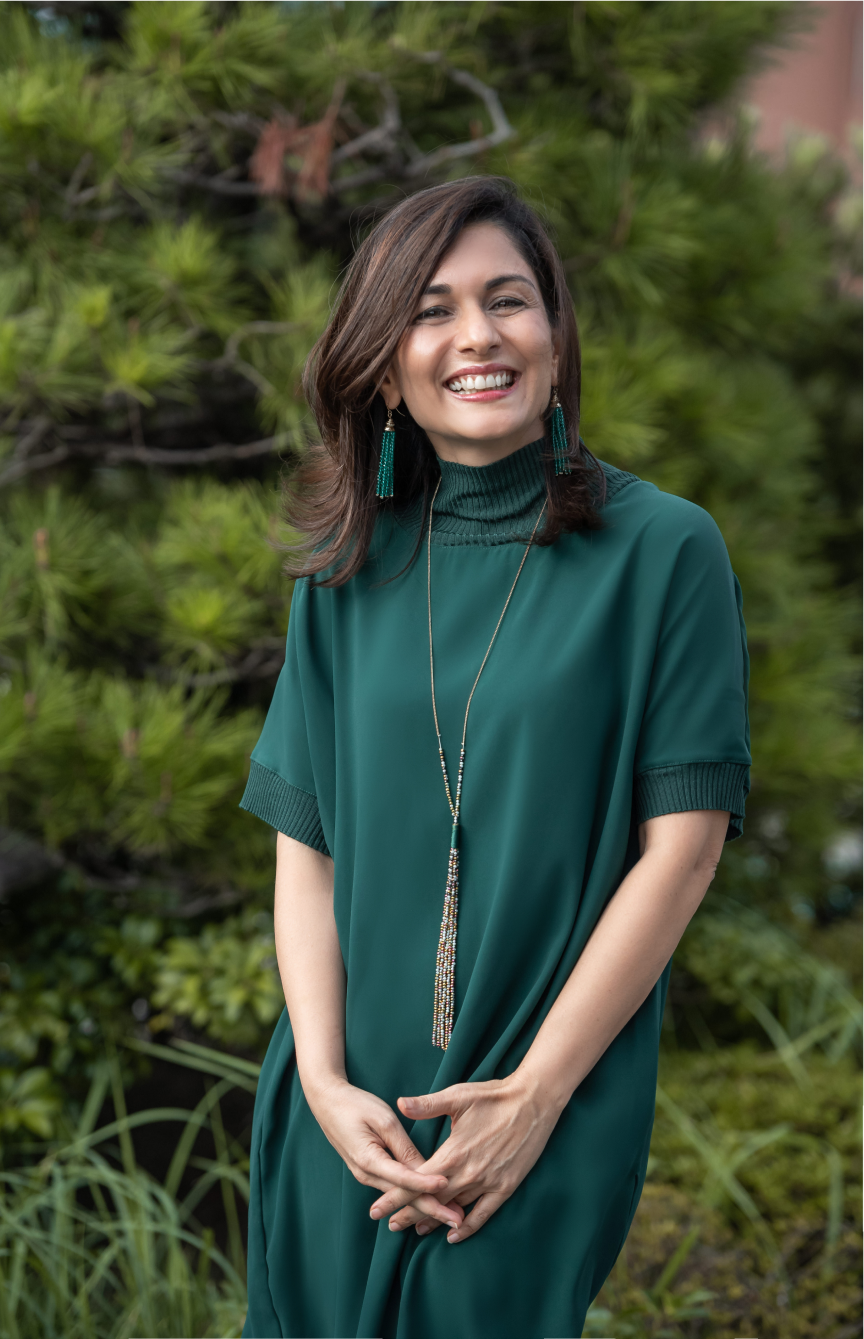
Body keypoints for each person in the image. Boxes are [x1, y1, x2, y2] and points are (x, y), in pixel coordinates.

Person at [239, 175, 751, 1339]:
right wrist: (319, 1080)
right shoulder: (345, 571)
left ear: (554, 338)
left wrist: (534, 1094)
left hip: (538, 1102)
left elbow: (680, 851)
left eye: (507, 300)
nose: (476, 334)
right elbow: (305, 852)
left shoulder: (662, 551)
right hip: (342, 1113)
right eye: (431, 310)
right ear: (384, 368)